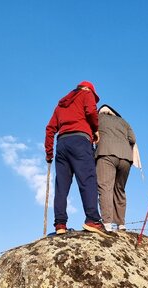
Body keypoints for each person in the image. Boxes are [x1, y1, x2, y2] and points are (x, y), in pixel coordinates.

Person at [44, 81, 109, 236]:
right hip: (80, 141)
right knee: (87, 179)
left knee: (61, 186)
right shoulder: (86, 94)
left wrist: (49, 153)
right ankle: (92, 219)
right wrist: (95, 130)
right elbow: (91, 112)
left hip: (62, 144)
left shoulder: (61, 105)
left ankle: (60, 224)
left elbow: (50, 128)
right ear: (89, 90)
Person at [94, 105, 141, 232]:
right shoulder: (123, 121)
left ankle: (107, 223)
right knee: (119, 189)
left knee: (105, 188)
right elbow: (133, 139)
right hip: (126, 158)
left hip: (106, 154)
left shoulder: (97, 118)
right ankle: (121, 224)